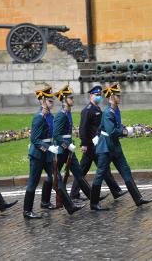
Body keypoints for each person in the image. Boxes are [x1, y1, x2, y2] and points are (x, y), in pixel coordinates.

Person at [90, 83, 152, 211]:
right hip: (106, 147)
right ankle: (94, 203)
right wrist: (125, 132)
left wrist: (123, 129)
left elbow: (116, 127)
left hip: (115, 147)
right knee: (100, 174)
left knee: (126, 171)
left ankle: (138, 199)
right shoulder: (108, 112)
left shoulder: (115, 110)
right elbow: (112, 131)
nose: (120, 97)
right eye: (117, 95)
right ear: (112, 97)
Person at [52, 85, 106, 215]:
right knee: (54, 177)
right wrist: (66, 145)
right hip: (61, 150)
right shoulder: (61, 115)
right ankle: (46, 200)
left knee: (79, 174)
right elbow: (56, 135)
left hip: (69, 150)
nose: (73, 100)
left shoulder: (67, 113)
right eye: (70, 98)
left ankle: (93, 198)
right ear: (64, 100)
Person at [70, 85, 127, 201]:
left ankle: (115, 191)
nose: (99, 97)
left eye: (100, 95)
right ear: (91, 96)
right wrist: (84, 144)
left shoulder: (97, 109)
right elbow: (83, 128)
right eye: (97, 95)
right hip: (90, 146)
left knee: (103, 168)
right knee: (84, 169)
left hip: (98, 144)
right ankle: (75, 193)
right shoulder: (87, 110)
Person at [23, 86, 59, 219]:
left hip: (48, 153)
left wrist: (53, 146)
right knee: (33, 182)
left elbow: (51, 135)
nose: (52, 103)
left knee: (52, 177)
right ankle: (27, 211)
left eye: (52, 101)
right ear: (43, 101)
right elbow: (35, 139)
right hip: (37, 155)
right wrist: (48, 147)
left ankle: (45, 202)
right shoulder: (39, 117)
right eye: (50, 101)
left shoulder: (50, 116)